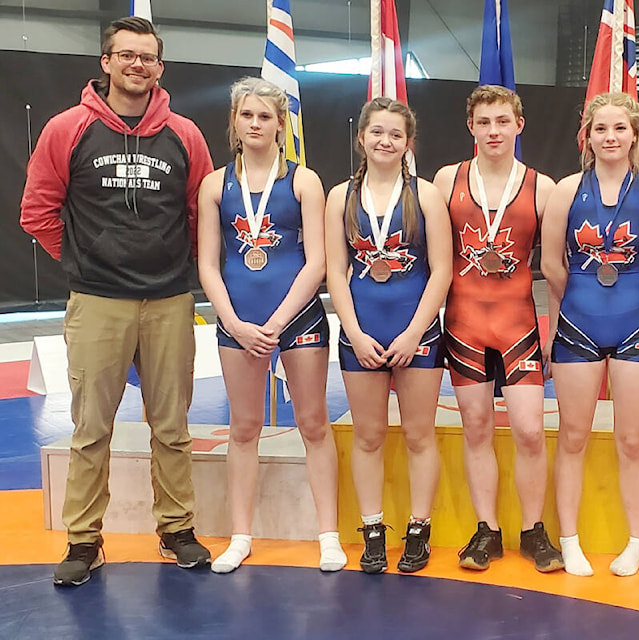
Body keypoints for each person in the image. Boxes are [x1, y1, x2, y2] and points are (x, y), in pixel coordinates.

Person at [20, 16, 213, 586]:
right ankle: (84, 540)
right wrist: (85, 260)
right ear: (105, 63)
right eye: (125, 55)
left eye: (147, 57)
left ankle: (176, 529)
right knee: (90, 428)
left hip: (169, 300)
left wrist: (180, 269)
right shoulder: (67, 129)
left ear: (160, 67)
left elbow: (202, 214)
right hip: (98, 300)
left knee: (173, 426)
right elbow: (38, 211)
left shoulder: (185, 134)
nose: (137, 65)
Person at [196, 77, 345, 574]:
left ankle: (328, 534)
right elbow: (209, 264)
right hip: (238, 321)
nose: (255, 124)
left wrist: (277, 322)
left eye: (265, 116)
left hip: (297, 317)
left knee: (313, 423)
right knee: (243, 427)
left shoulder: (304, 181)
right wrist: (234, 322)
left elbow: (317, 262)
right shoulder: (215, 185)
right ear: (234, 123)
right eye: (247, 115)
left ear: (282, 124)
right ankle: (240, 536)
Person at [540, 92, 639, 576]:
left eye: (620, 128)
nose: (610, 137)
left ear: (634, 135)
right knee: (573, 435)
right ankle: (569, 539)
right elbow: (551, 264)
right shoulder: (566, 191)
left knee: (632, 439)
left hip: (636, 324)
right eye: (601, 129)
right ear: (588, 136)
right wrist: (579, 298)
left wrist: (636, 300)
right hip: (578, 322)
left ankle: (637, 539)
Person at [433, 85, 563, 573]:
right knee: (477, 429)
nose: (493, 130)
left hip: (519, 325)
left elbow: (554, 265)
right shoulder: (448, 179)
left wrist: (553, 331)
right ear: (471, 126)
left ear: (518, 126)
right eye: (484, 122)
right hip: (464, 325)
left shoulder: (542, 187)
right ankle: (486, 529)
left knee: (530, 430)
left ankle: (533, 530)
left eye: (502, 121)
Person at [325, 97, 452, 574]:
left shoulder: (426, 196)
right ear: (362, 138)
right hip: (362, 335)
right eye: (377, 132)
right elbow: (336, 271)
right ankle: (373, 529)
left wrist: (414, 333)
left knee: (419, 434)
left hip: (415, 334)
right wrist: (353, 332)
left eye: (395, 134)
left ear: (407, 142)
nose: (386, 141)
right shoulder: (341, 196)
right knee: (369, 435)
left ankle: (419, 528)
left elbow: (441, 271)